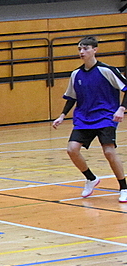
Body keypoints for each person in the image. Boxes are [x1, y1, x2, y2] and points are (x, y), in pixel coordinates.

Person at [52, 36, 127, 203]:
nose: (81, 52)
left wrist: (121, 109)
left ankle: (124, 187)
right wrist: (62, 115)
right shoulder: (76, 74)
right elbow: (71, 97)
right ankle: (91, 178)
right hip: (84, 118)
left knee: (109, 152)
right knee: (72, 149)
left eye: (85, 49)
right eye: (79, 49)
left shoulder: (107, 70)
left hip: (106, 116)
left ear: (95, 50)